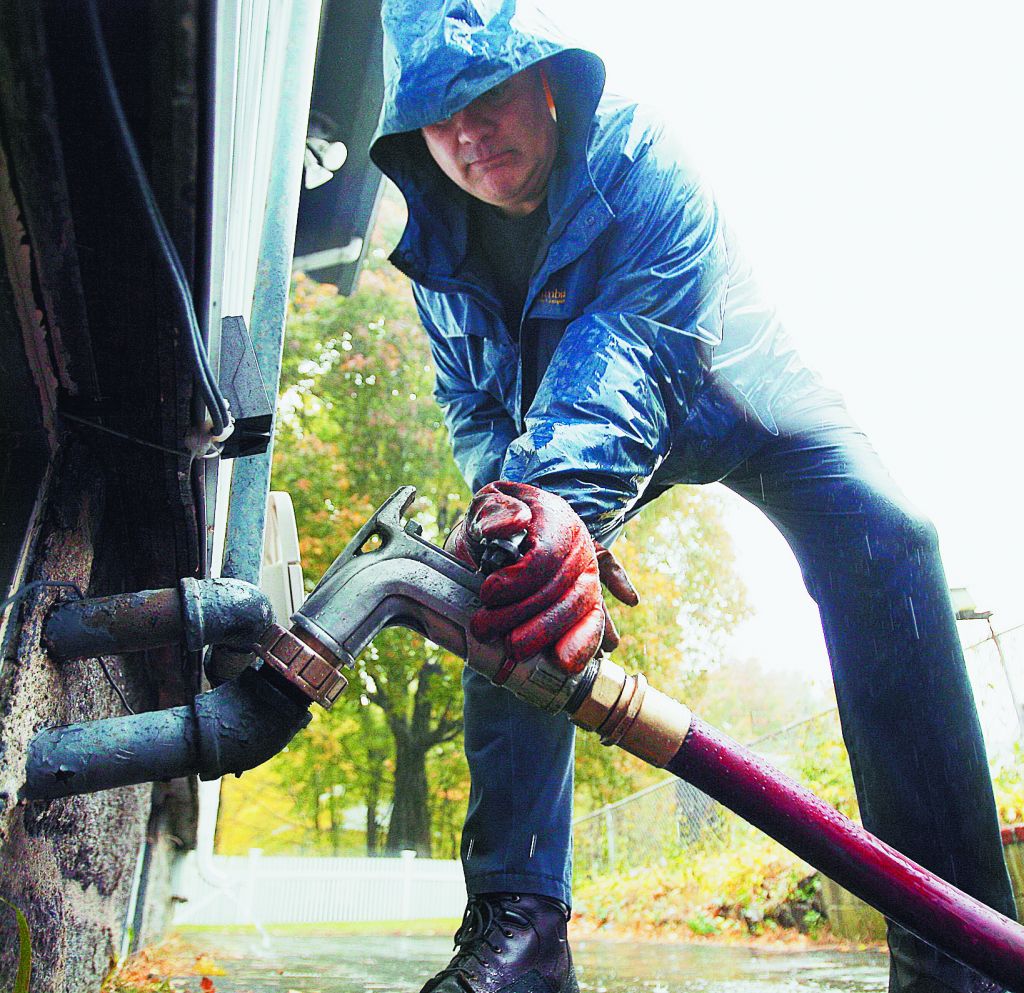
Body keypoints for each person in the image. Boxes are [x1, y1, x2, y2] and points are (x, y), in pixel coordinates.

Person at [368, 3, 1017, 991]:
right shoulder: (437, 258)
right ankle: (520, 927)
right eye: (437, 116)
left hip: (735, 391)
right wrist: (528, 520)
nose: (468, 133)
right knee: (506, 564)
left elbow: (636, 349)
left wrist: (559, 497)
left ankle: (955, 944)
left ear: (548, 81)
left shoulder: (643, 160)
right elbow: (472, 404)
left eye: (486, 94)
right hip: (572, 426)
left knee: (889, 540)